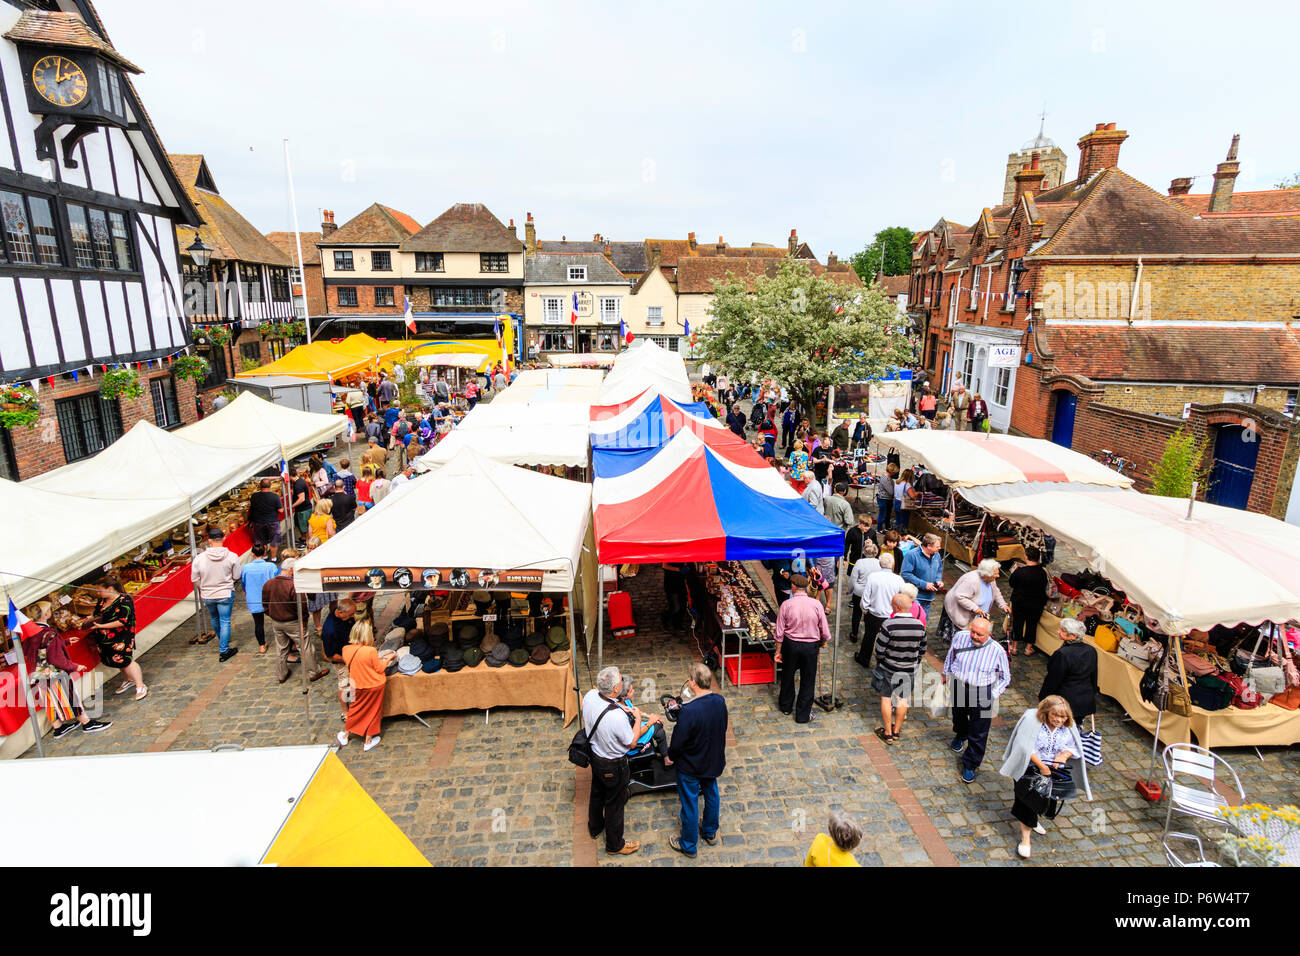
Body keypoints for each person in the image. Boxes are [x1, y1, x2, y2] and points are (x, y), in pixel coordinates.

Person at [1000, 696, 1083, 859]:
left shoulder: (1068, 727)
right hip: (1028, 769)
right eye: (1056, 716)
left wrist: (1063, 756)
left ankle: (1034, 819)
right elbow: (1025, 747)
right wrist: (1042, 766)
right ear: (1046, 712)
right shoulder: (1033, 723)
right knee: (1027, 803)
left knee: (1046, 800)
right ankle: (1026, 839)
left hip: (1052, 771)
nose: (1060, 720)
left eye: (1063, 716)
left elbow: (1073, 745)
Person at [22, 601, 111, 737]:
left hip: (39, 673)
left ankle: (58, 728)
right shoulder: (50, 633)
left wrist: (64, 642)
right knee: (70, 697)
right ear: (46, 614)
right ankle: (86, 723)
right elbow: (56, 659)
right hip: (55, 673)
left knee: (49, 701)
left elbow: (38, 648)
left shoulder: (29, 633)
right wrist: (75, 666)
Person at [667, 662, 729, 858]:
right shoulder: (720, 701)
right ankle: (710, 831)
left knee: (690, 803)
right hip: (712, 760)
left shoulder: (689, 710)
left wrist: (671, 756)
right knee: (711, 794)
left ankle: (689, 844)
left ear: (693, 683)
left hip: (691, 765)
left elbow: (677, 742)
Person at [943, 615, 1011, 783]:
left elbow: (1005, 677)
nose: (974, 636)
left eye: (979, 634)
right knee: (958, 715)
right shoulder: (960, 637)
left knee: (979, 731)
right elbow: (951, 655)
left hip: (982, 692)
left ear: (988, 634)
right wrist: (946, 673)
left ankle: (970, 764)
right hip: (959, 686)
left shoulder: (997, 651)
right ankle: (960, 734)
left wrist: (993, 694)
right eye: (973, 631)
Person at [583, 666, 641, 855]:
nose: (624, 682)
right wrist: (638, 718)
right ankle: (615, 845)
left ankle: (595, 826)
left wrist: (619, 706)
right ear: (615, 690)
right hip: (613, 764)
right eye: (621, 680)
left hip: (596, 755)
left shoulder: (591, 695)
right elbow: (631, 742)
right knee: (615, 804)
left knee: (597, 792)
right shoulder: (616, 717)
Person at [262, 558, 330, 686]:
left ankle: (281, 674)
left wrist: (272, 614)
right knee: (305, 647)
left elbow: (264, 604)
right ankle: (314, 672)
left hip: (277, 621)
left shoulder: (269, 584)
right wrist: (303, 619)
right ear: (292, 570)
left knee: (281, 648)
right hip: (293, 622)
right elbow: (302, 606)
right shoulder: (293, 585)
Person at [774, 574, 830, 724]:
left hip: (791, 645)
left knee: (787, 675)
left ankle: (786, 706)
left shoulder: (786, 604)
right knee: (808, 679)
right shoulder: (817, 604)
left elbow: (779, 632)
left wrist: (778, 651)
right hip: (810, 646)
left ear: (793, 586)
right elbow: (824, 630)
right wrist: (821, 642)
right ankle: (802, 715)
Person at [79, 576, 147, 700]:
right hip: (106, 637)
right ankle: (128, 680)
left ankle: (140, 685)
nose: (98, 593)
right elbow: (98, 615)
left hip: (121, 636)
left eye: (100, 590)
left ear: (110, 588)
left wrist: (101, 626)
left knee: (126, 660)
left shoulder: (124, 600)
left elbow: (122, 621)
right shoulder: (102, 601)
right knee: (117, 660)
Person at [872, 592, 927, 743]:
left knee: (886, 698)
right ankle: (896, 731)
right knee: (903, 700)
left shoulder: (888, 625)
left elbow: (879, 649)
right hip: (908, 669)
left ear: (897, 607)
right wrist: (914, 662)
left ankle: (888, 732)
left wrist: (882, 662)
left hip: (889, 668)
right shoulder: (919, 626)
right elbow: (922, 649)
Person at [336, 619, 394, 752]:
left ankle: (346, 734)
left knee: (355, 708)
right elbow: (379, 669)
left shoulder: (345, 649)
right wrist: (388, 659)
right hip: (374, 685)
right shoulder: (370, 651)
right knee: (374, 711)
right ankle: (368, 740)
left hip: (356, 684)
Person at [191, 527, 241, 662]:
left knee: (214, 618)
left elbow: (194, 578)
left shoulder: (199, 559)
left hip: (208, 594)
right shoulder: (232, 556)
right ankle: (224, 649)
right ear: (224, 539)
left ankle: (222, 641)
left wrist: (203, 587)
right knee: (225, 621)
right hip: (225, 592)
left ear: (209, 540)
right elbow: (236, 575)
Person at [939, 558, 1010, 650]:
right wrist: (976, 609)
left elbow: (996, 592)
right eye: (996, 573)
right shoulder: (972, 580)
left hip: (977, 614)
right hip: (960, 612)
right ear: (986, 574)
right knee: (960, 640)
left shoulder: (990, 579)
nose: (998, 576)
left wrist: (1003, 605)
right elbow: (960, 596)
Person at [1039, 619, 1099, 721]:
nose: (1058, 631)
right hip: (1084, 699)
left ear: (1074, 636)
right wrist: (1092, 693)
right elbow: (1094, 676)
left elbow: (1053, 680)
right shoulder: (1091, 650)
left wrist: (1043, 698)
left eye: (1063, 630)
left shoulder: (1063, 654)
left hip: (1066, 701)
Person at [855, 551, 903, 668]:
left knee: (869, 637)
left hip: (874, 613)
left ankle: (864, 659)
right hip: (891, 616)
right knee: (889, 641)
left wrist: (865, 609)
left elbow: (866, 596)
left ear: (880, 564)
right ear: (892, 565)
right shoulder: (898, 580)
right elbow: (901, 598)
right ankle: (885, 662)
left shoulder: (873, 577)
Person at [1007, 546, 1051, 656]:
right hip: (1036, 603)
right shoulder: (1042, 572)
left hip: (1019, 601)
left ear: (1026, 556)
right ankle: (1028, 648)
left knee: (1017, 623)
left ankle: (1014, 647)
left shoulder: (1020, 571)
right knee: (1032, 625)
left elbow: (1012, 583)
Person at [239, 543, 279, 655]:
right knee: (277, 620)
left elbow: (243, 583)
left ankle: (262, 645)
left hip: (254, 598)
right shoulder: (270, 566)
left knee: (258, 623)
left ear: (252, 554)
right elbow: (275, 581)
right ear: (265, 553)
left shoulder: (246, 568)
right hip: (269, 597)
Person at [900, 533, 944, 624]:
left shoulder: (937, 555)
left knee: (923, 622)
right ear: (928, 546)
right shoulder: (912, 555)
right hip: (915, 597)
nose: (939, 548)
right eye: (937, 546)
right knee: (913, 622)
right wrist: (924, 584)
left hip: (929, 597)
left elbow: (939, 569)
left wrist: (938, 580)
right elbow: (905, 573)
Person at [847, 541, 881, 643]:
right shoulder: (879, 563)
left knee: (856, 614)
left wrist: (850, 590)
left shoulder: (859, 562)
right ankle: (868, 634)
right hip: (872, 593)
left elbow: (853, 579)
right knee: (869, 615)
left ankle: (854, 634)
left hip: (859, 592)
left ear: (864, 552)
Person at [244, 477, 283, 550]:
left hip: (259, 522)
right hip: (272, 521)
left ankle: (264, 557)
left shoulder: (254, 496)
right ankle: (274, 559)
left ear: (260, 486)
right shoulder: (275, 496)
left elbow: (252, 507)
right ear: (270, 486)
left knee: (261, 542)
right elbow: (281, 510)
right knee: (274, 542)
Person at [290, 467, 313, 539]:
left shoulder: (298, 485)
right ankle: (303, 539)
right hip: (302, 509)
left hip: (303, 510)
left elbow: (301, 498)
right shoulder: (299, 481)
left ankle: (307, 542)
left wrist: (291, 506)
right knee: (299, 524)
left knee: (305, 528)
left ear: (290, 476)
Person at [895, 468, 919, 532]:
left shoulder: (898, 482)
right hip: (903, 504)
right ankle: (902, 536)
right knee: (904, 523)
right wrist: (918, 493)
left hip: (896, 502)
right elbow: (912, 495)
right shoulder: (907, 484)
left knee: (898, 521)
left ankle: (896, 535)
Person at [876, 462, 898, 530]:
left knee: (886, 515)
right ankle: (879, 529)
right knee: (882, 515)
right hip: (884, 499)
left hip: (885, 499)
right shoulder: (886, 479)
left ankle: (886, 527)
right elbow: (891, 492)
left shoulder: (886, 477)